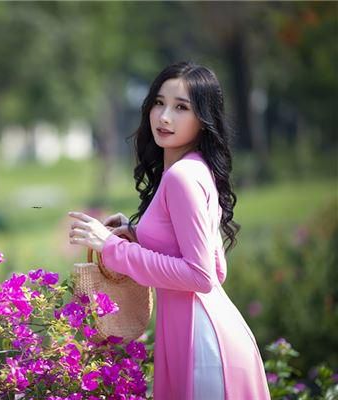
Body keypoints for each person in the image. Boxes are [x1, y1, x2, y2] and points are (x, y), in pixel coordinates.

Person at [68, 61, 271, 400]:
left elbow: (202, 275)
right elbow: (216, 267)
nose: (164, 117)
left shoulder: (181, 178)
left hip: (203, 349)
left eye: (181, 108)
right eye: (159, 103)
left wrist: (112, 248)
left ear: (203, 119)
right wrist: (136, 232)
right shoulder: (196, 170)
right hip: (207, 337)